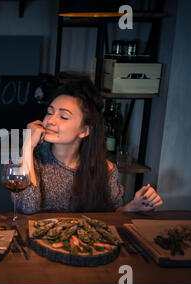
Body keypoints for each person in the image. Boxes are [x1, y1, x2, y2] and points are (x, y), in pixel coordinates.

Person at [15, 78, 163, 213]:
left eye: (63, 116)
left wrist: (133, 206)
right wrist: (27, 146)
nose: (50, 120)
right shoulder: (26, 159)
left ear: (84, 130)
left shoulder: (105, 169)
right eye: (49, 112)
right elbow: (28, 208)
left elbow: (112, 216)